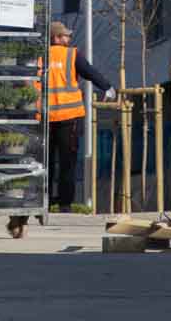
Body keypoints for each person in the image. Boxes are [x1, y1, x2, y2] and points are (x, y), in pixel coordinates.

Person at [41, 20, 115, 213]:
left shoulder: (39, 56)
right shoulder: (72, 55)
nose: (69, 38)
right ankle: (65, 204)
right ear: (56, 37)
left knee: (46, 163)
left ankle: (44, 202)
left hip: (44, 119)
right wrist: (107, 87)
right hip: (69, 117)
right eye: (66, 35)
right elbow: (90, 73)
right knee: (68, 163)